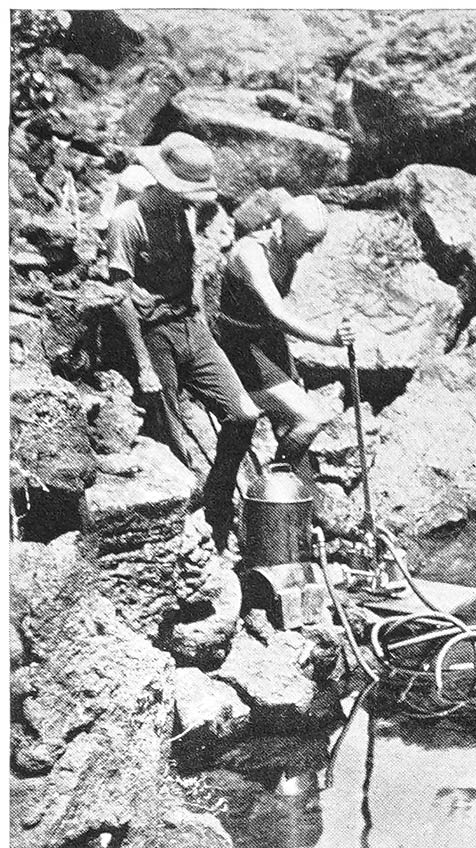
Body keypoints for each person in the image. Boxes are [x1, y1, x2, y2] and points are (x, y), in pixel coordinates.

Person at [107, 131, 261, 548]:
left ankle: (218, 496)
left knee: (244, 414)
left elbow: (191, 270)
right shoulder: (127, 221)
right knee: (173, 439)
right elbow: (121, 296)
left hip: (193, 325)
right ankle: (188, 532)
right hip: (155, 333)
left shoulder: (186, 213)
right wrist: (143, 365)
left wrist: (203, 325)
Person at [215, 194, 353, 486]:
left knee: (290, 422)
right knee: (310, 419)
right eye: (308, 243)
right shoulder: (251, 253)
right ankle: (275, 487)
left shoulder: (287, 254)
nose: (311, 250)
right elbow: (276, 314)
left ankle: (299, 494)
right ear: (286, 229)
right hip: (240, 347)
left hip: (267, 342)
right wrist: (330, 338)